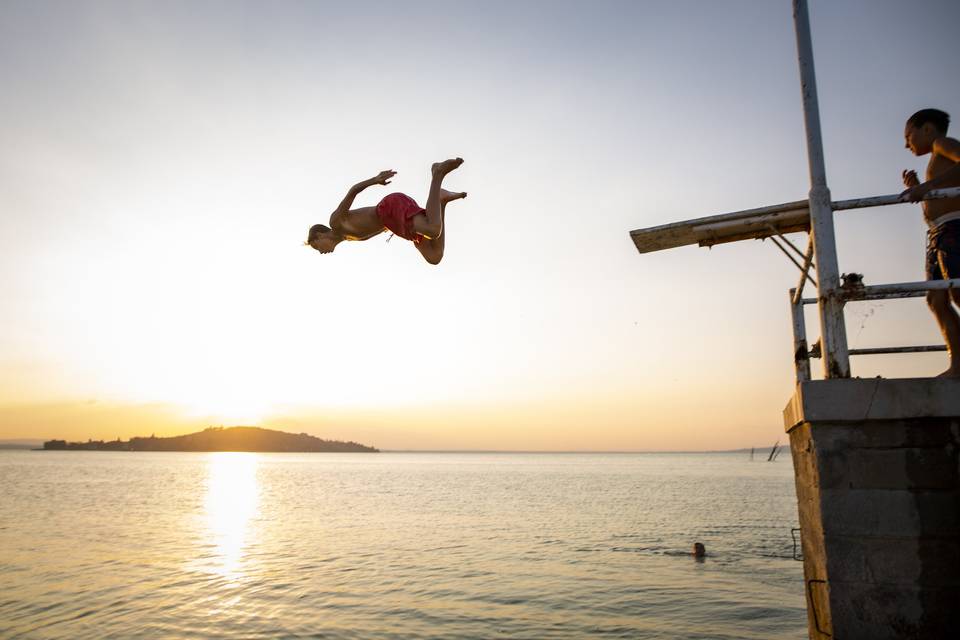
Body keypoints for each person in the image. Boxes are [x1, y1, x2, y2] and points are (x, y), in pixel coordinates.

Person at [306, 158, 466, 265]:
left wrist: (375, 180)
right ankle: (441, 200)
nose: (320, 252)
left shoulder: (335, 222)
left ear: (319, 235)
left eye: (316, 246)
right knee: (434, 256)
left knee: (432, 230)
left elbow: (353, 191)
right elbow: (378, 227)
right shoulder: (350, 238)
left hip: (390, 208)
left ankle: (437, 174)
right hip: (395, 224)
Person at [902, 109, 960, 377]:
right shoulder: (935, 164)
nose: (906, 143)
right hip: (938, 233)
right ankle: (958, 365)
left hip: (955, 227)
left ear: (926, 128)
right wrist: (920, 186)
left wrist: (925, 187)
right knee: (936, 298)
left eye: (908, 135)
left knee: (957, 293)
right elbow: (936, 201)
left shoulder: (941, 144)